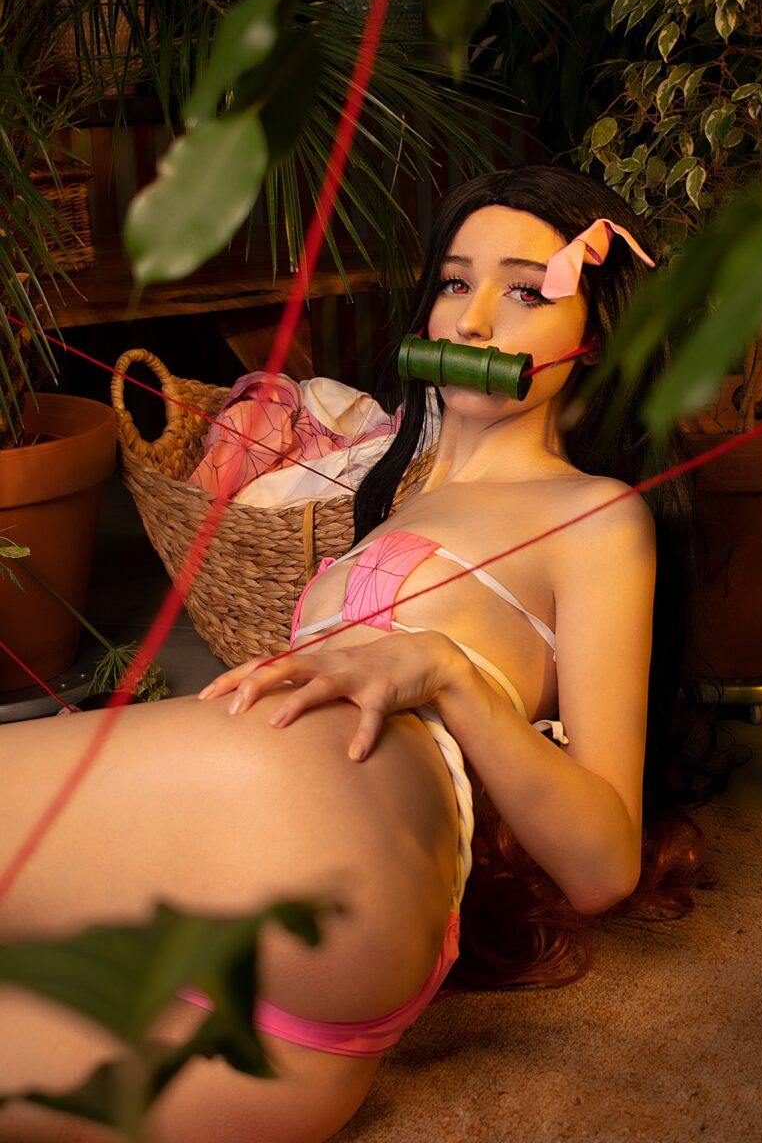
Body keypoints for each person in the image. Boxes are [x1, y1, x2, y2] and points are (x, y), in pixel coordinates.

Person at [0, 165, 717, 1143]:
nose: (472, 321)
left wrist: (449, 672)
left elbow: (602, 867)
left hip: (310, 826)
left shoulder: (592, 513)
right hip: (327, 1002)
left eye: (524, 291)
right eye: (455, 282)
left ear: (595, 339)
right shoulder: (400, 497)